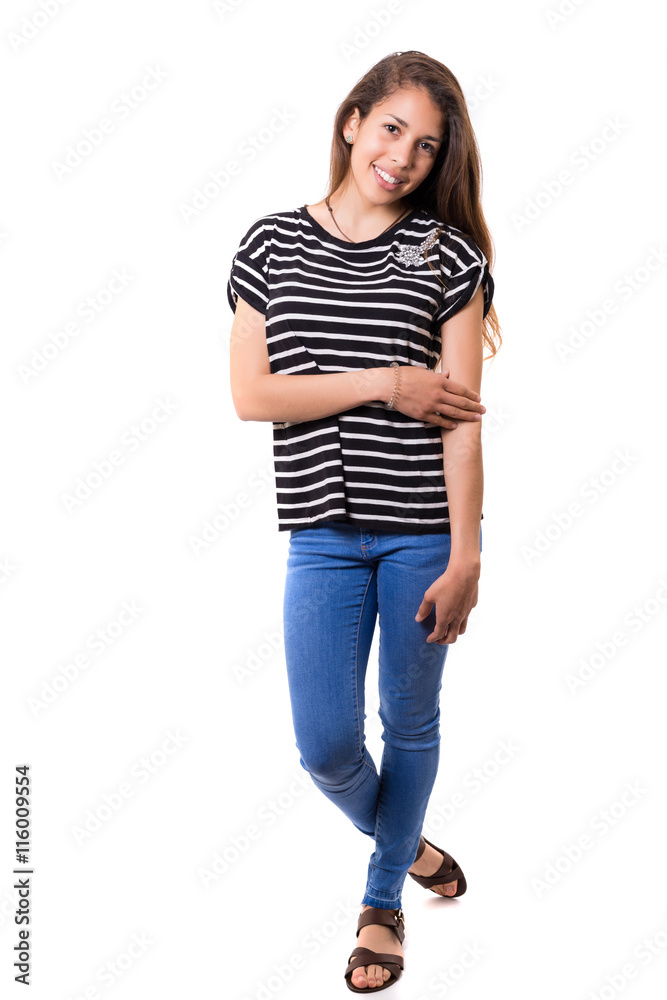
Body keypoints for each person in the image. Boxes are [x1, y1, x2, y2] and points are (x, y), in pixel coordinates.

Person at [227, 50, 501, 994]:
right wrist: (388, 382)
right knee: (326, 748)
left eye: (426, 147)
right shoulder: (269, 246)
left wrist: (467, 555)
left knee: (408, 722)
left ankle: (381, 903)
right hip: (322, 535)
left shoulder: (449, 257)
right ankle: (408, 843)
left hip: (422, 532)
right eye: (391, 129)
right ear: (352, 122)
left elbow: (462, 424)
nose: (403, 157)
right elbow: (253, 396)